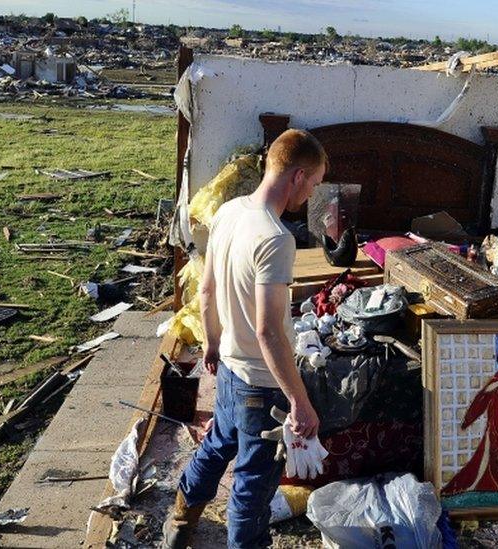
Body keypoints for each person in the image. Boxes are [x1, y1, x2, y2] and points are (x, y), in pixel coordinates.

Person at [162, 129, 328, 549]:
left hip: (231, 368)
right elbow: (269, 330)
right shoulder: (275, 237)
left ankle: (179, 523)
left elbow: (206, 289)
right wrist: (299, 402)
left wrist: (213, 344)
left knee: (218, 444)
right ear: (297, 176)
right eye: (314, 184)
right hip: (262, 383)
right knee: (252, 490)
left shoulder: (231, 211)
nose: (311, 194)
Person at [440, 344, 498, 497]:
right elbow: (487, 391)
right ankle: (476, 482)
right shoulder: (497, 377)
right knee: (488, 446)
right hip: (495, 415)